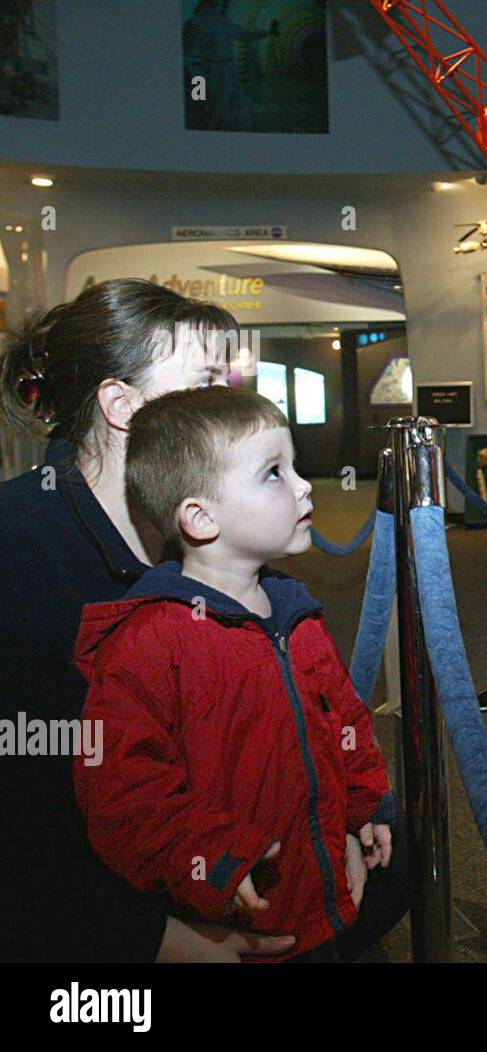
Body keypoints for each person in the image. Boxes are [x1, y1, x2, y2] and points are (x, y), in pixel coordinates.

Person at [0, 279, 376, 962]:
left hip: (222, 868)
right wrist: (155, 941)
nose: (229, 402)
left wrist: (333, 829)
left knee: (395, 854)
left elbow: (290, 724)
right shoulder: (17, 551)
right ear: (122, 405)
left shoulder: (210, 535)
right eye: (206, 382)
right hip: (77, 918)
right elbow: (24, 817)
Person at [73, 385, 397, 963]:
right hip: (235, 914)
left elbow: (344, 722)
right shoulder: (149, 642)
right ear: (199, 517)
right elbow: (124, 789)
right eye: (274, 472)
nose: (303, 486)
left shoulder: (296, 615)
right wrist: (208, 856)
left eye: (294, 465)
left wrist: (365, 807)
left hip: (321, 902)